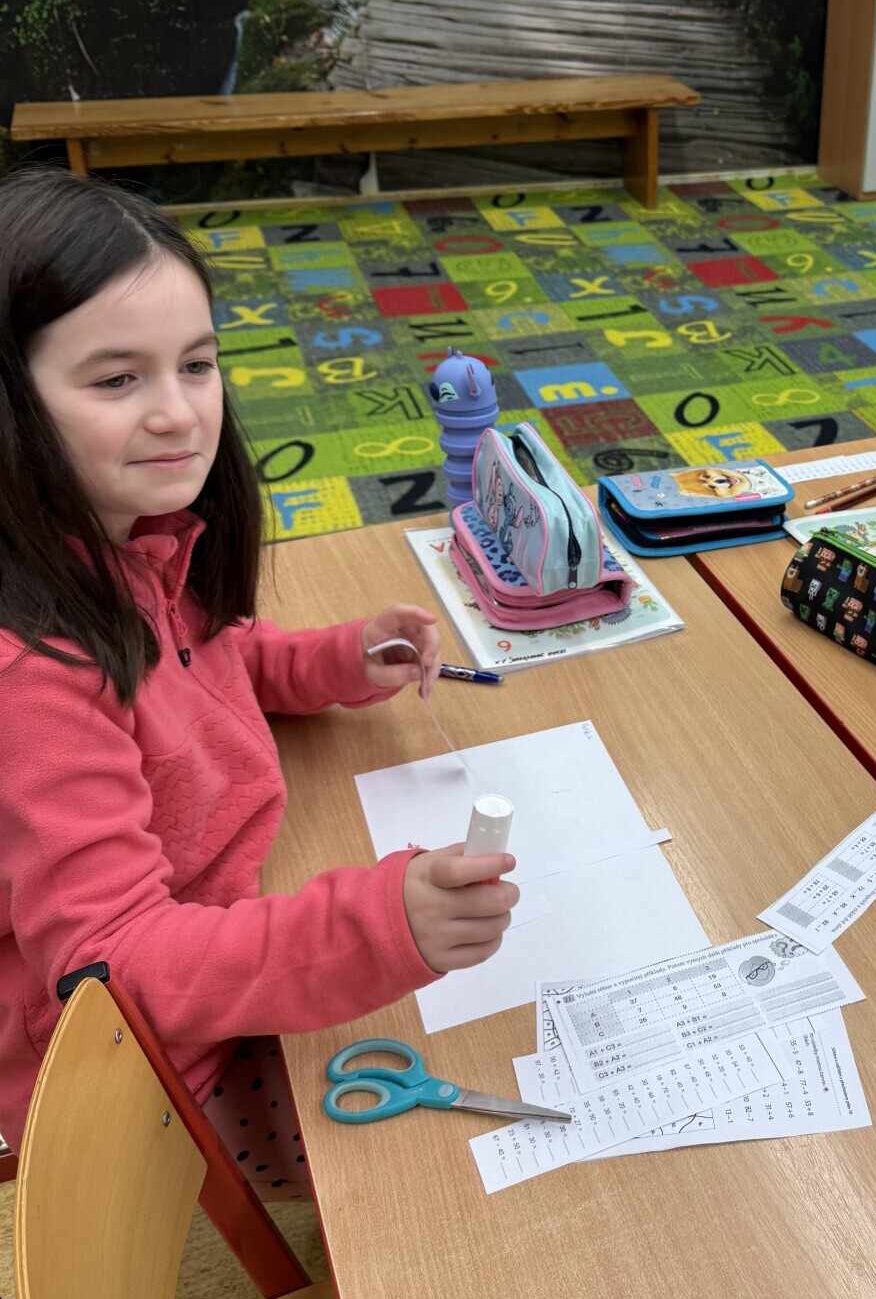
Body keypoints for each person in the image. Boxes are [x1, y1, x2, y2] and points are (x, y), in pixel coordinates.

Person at [0, 168, 516, 1183]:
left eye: (196, 365)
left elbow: (209, 658)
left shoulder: (128, 534)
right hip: (152, 1079)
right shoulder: (30, 678)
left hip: (235, 929)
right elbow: (117, 966)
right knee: (445, 1179)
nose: (179, 414)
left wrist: (334, 660)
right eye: (117, 380)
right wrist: (376, 925)